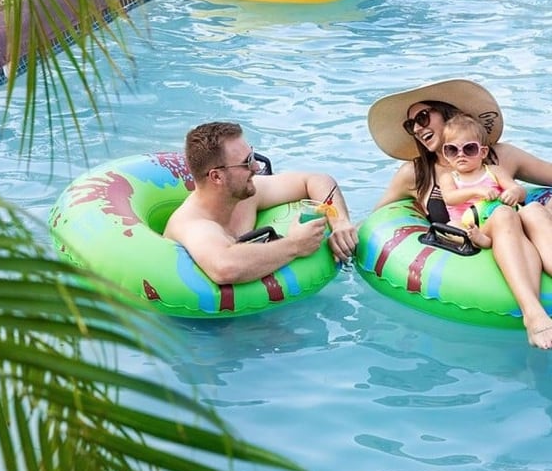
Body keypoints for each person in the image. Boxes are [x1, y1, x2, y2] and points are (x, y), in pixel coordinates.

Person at [367, 79, 552, 349]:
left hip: (521, 230)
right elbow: (377, 218)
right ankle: (533, 313)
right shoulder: (416, 173)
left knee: (534, 209)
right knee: (502, 215)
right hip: (470, 247)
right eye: (411, 125)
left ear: (448, 113)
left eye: (422, 116)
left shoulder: (500, 158)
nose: (418, 128)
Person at [163, 122, 357, 285]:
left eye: (253, 156)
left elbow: (316, 180)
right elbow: (225, 268)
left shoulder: (245, 197)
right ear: (217, 177)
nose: (256, 167)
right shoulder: (193, 225)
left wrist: (339, 222)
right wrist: (295, 245)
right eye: (246, 162)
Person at [438, 113, 526, 249]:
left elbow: (518, 190)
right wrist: (476, 191)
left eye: (469, 148)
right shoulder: (448, 177)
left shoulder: (494, 171)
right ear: (445, 154)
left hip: (498, 221)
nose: (460, 154)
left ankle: (487, 239)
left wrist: (514, 192)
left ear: (483, 152)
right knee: (450, 226)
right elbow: (450, 198)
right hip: (468, 225)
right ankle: (478, 240)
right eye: (452, 149)